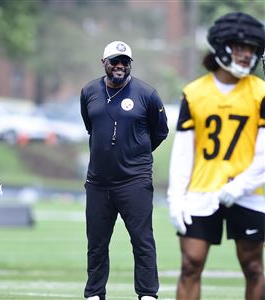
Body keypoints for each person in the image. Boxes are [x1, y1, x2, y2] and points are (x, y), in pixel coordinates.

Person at [167, 12, 265, 300]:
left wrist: (240, 186)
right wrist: (176, 197)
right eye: (240, 47)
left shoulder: (261, 93)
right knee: (190, 264)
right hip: (203, 187)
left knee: (253, 265)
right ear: (221, 46)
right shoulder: (195, 92)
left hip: (249, 191)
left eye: (252, 48)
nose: (247, 55)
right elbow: (183, 152)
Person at [80, 40, 169, 300]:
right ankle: (95, 294)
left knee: (142, 241)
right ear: (104, 63)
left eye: (125, 62)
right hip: (97, 181)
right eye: (115, 61)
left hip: (134, 181)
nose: (120, 66)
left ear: (130, 65)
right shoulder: (89, 91)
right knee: (96, 243)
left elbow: (160, 131)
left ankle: (147, 294)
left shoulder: (147, 94)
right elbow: (91, 127)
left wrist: (136, 153)